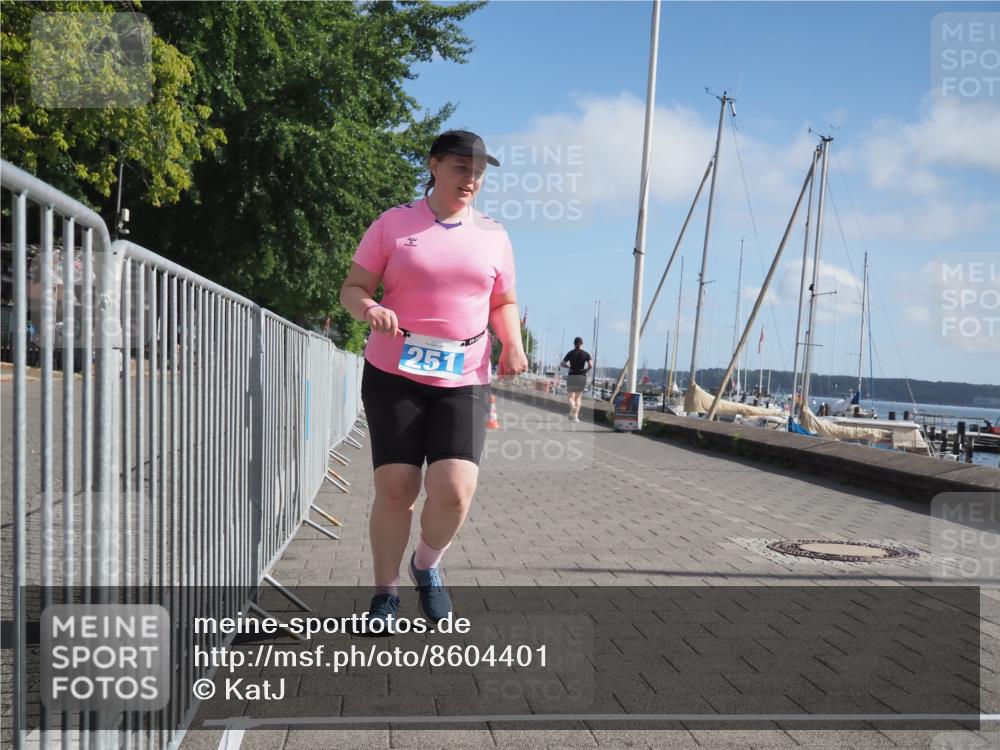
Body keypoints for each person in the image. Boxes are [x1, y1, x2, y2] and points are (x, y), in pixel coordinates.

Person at [339, 130, 529, 632]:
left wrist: (512, 342)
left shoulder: (494, 235)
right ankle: (385, 593)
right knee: (397, 487)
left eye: (479, 171)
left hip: (463, 373)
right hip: (393, 371)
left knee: (455, 488)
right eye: (461, 168)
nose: (471, 179)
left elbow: (503, 302)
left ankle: (426, 563)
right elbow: (353, 288)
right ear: (435, 165)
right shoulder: (394, 223)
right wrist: (373, 307)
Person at [559, 337, 592, 422]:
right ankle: (576, 416)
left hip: (572, 375)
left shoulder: (570, 353)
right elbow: (591, 365)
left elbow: (562, 363)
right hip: (581, 376)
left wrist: (567, 366)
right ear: (582, 344)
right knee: (578, 398)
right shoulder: (586, 354)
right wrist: (586, 370)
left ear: (574, 344)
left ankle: (573, 407)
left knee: (570, 397)